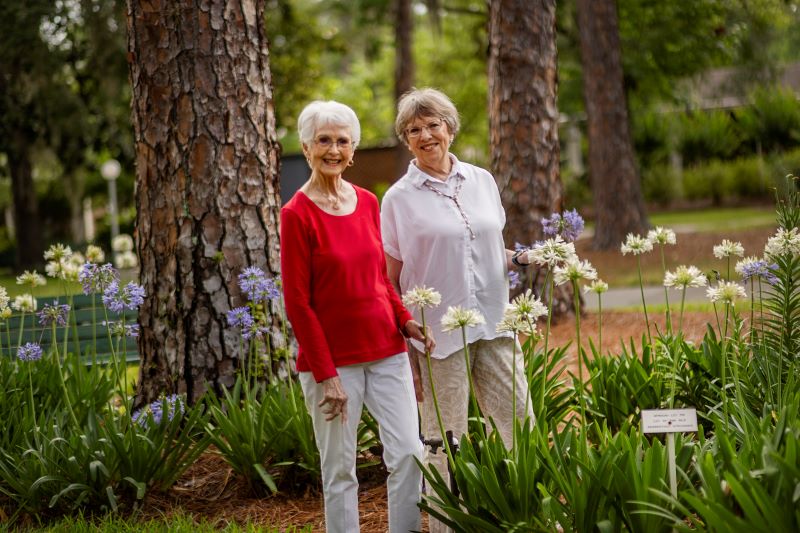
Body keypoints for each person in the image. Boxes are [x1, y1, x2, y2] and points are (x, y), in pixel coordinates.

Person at [380, 88, 534, 532]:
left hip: (495, 324)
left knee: (519, 424)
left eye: (433, 125)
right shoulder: (398, 199)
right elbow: (390, 277)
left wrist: (524, 257)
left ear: (450, 128)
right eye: (414, 130)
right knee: (446, 439)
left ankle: (525, 514)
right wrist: (405, 336)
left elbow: (488, 250)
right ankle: (448, 525)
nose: (426, 135)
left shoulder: (481, 180)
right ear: (406, 140)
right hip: (438, 337)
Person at [280, 100, 433, 533]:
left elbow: (380, 278)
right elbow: (297, 303)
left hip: (387, 350)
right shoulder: (296, 214)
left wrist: (404, 320)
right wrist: (326, 375)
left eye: (342, 141)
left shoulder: (367, 202)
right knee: (340, 470)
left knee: (409, 454)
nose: (334, 149)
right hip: (333, 365)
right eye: (324, 140)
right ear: (306, 148)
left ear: (353, 150)